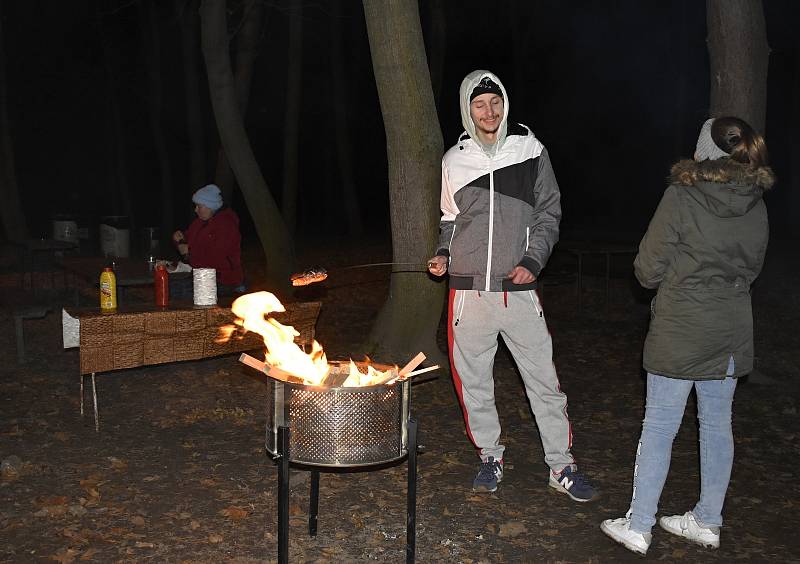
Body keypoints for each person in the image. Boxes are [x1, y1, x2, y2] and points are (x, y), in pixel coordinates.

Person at [600, 117, 774, 555]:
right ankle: (708, 520)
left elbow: (647, 268)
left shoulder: (682, 195)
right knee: (717, 426)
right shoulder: (756, 202)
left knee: (659, 426)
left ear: (704, 151)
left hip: (682, 327)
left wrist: (679, 276)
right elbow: (752, 269)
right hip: (731, 328)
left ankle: (639, 525)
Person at [428, 70, 597, 502]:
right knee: (473, 382)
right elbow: (449, 220)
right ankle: (490, 457)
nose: (489, 111)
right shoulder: (453, 160)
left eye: (495, 101)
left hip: (518, 290)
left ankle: (561, 465)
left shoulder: (530, 149)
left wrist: (532, 259)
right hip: (467, 294)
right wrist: (444, 254)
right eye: (479, 104)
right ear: (468, 110)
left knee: (543, 380)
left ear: (505, 104)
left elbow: (549, 213)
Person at [172, 184, 245, 297]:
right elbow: (187, 238)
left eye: (199, 206)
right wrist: (179, 238)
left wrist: (189, 251)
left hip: (223, 280)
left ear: (210, 206)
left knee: (175, 291)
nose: (196, 210)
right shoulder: (200, 222)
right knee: (168, 285)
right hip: (203, 276)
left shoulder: (226, 225)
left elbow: (216, 257)